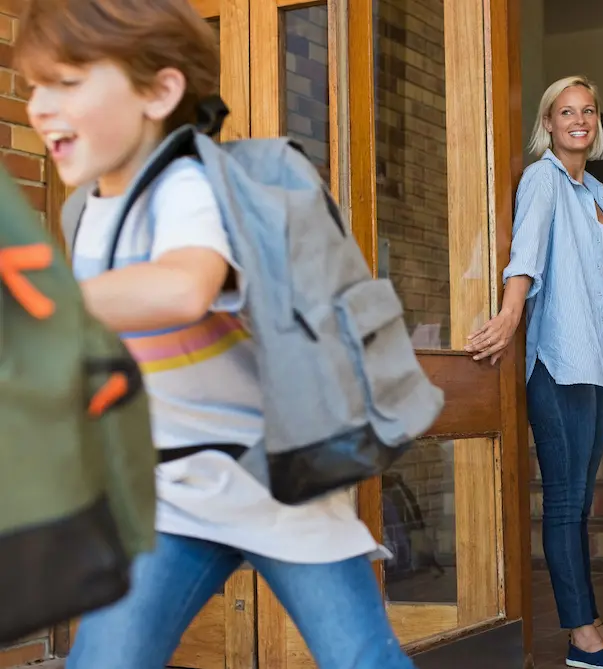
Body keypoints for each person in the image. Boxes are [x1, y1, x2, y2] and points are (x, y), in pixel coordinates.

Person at [16, 1, 413, 667]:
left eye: (67, 81)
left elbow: (184, 285)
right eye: (32, 87)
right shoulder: (89, 214)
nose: (40, 105)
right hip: (172, 493)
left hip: (277, 482)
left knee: (362, 658)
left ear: (160, 91)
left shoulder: (188, 184)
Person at [465, 75, 603, 669]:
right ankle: (581, 639)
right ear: (548, 123)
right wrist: (512, 311)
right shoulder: (543, 178)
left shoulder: (592, 188)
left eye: (588, 111)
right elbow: (527, 249)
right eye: (566, 112)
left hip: (593, 363)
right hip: (557, 361)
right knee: (567, 503)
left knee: (581, 502)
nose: (579, 120)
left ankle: (590, 621)